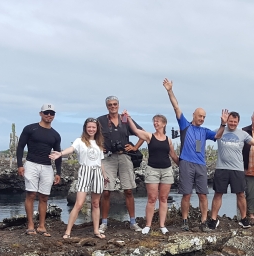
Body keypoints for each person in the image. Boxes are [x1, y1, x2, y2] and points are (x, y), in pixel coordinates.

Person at [164, 78, 218, 231]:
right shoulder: (185, 126)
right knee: (186, 194)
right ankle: (184, 221)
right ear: (194, 115)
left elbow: (218, 135)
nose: (202, 118)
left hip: (201, 165)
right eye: (200, 116)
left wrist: (223, 124)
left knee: (203, 195)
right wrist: (170, 91)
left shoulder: (205, 131)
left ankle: (204, 222)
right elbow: (176, 107)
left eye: (204, 117)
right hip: (186, 163)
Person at [51, 118, 109, 239]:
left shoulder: (99, 143)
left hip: (97, 172)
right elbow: (71, 149)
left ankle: (96, 231)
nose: (91, 129)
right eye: (89, 127)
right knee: (79, 204)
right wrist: (60, 153)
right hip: (85, 171)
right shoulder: (79, 141)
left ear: (97, 129)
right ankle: (68, 232)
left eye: (93, 127)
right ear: (85, 128)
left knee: (96, 203)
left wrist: (104, 176)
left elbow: (100, 162)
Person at [124, 111, 179, 235]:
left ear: (164, 124)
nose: (155, 123)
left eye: (157, 121)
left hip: (167, 170)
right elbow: (136, 131)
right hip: (152, 170)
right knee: (152, 199)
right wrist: (129, 118)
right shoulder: (150, 136)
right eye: (154, 121)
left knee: (163, 199)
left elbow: (173, 155)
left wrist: (183, 165)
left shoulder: (168, 140)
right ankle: (148, 225)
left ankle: (162, 226)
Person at [97, 95, 145, 234]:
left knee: (128, 190)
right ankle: (104, 222)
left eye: (115, 104)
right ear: (107, 106)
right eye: (110, 104)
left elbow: (142, 133)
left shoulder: (125, 119)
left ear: (118, 105)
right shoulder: (101, 121)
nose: (113, 106)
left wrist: (135, 147)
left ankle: (133, 222)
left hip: (124, 156)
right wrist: (98, 146)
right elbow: (90, 134)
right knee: (106, 191)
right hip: (108, 157)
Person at [15, 104, 63, 236]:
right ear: (40, 113)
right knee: (31, 194)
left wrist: (58, 172)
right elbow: (20, 147)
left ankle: (42, 226)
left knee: (44, 197)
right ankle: (30, 225)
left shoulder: (55, 135)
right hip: (31, 164)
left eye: (52, 113)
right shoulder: (30, 128)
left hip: (47, 166)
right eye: (46, 112)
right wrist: (20, 165)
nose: (49, 115)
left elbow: (57, 154)